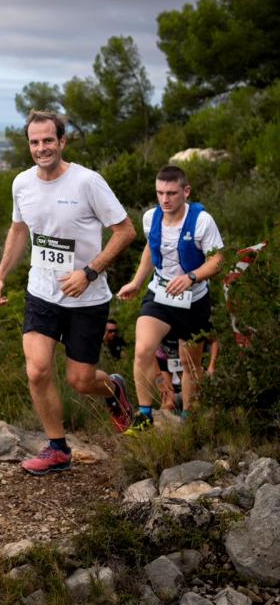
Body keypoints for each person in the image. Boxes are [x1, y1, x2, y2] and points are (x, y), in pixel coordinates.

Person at [0, 111, 136, 475]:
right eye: (35, 142)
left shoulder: (87, 182)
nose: (42, 148)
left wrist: (89, 272)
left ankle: (114, 389)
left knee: (80, 381)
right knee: (37, 370)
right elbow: (19, 230)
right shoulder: (22, 183)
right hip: (41, 293)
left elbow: (126, 231)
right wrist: (0, 276)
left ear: (62, 141)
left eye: (48, 141)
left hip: (87, 298)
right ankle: (57, 449)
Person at [117, 165, 223, 431]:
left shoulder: (202, 221)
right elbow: (151, 249)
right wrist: (136, 282)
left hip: (194, 300)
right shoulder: (150, 217)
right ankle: (144, 415)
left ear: (186, 191)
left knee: (190, 364)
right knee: (143, 350)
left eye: (172, 193)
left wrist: (191, 277)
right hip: (160, 294)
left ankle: (188, 417)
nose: (165, 199)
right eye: (160, 193)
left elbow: (217, 261)